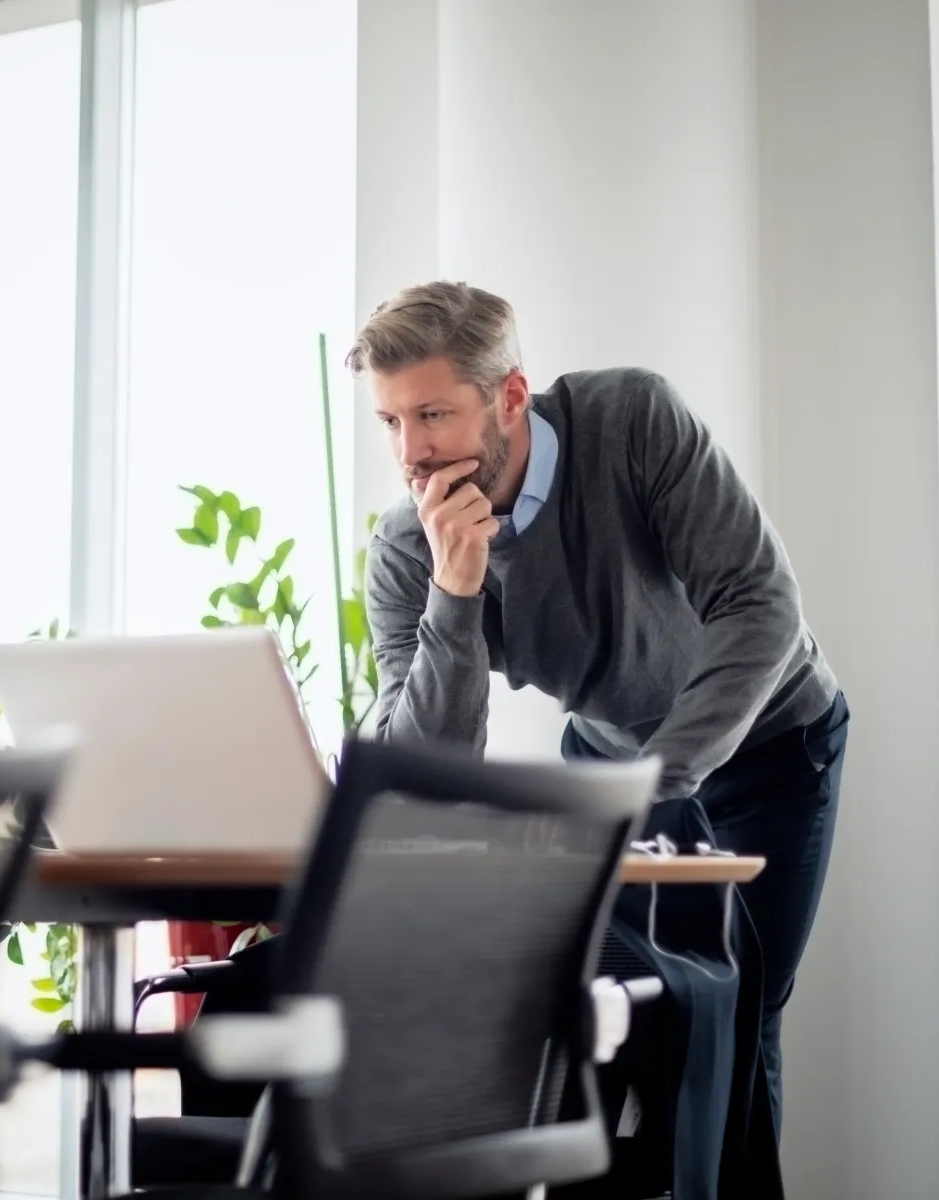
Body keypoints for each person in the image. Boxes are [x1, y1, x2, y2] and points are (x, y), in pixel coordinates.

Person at [352, 279, 849, 1135]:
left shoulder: (632, 422)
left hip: (772, 742)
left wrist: (656, 783)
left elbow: (760, 603)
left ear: (510, 396)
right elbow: (426, 767)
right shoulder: (409, 551)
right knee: (617, 1015)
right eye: (391, 422)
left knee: (735, 1014)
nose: (411, 456)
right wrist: (456, 590)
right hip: (612, 756)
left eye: (432, 416)